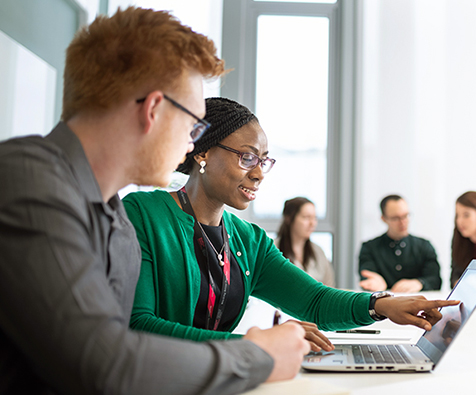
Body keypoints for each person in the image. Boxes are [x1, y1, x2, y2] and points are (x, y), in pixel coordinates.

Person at [0, 7, 313, 394]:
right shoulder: (27, 180)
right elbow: (103, 362)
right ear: (153, 110)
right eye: (193, 124)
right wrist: (257, 355)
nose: (191, 141)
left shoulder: (113, 215)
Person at [124, 98, 458, 352]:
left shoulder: (248, 239)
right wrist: (257, 345)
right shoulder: (144, 213)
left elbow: (313, 301)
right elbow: (139, 325)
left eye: (263, 161)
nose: (258, 173)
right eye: (247, 157)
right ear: (204, 154)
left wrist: (380, 304)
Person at [358, 195, 442, 293]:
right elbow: (367, 277)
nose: (403, 222)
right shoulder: (369, 248)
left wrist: (420, 283)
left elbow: (435, 280)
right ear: (383, 218)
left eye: (406, 215)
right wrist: (374, 284)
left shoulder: (424, 246)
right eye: (395, 218)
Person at [276, 197, 335, 286]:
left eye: (314, 218)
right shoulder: (273, 249)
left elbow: (330, 286)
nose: (312, 223)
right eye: (306, 217)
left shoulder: (318, 252)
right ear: (289, 218)